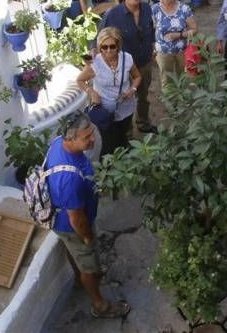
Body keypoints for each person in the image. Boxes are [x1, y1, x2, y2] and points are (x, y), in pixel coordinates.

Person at [46, 111, 131, 319]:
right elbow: (77, 218)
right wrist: (87, 237)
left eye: (92, 133)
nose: (93, 139)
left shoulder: (59, 143)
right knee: (88, 261)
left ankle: (79, 277)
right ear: (70, 138)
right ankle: (99, 305)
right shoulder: (68, 179)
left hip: (65, 220)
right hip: (73, 226)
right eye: (87, 137)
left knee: (76, 254)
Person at [101, 0, 157, 133]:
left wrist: (153, 45)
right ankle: (128, 133)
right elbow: (101, 39)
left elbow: (152, 29)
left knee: (143, 97)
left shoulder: (147, 9)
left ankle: (143, 122)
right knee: (125, 101)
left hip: (145, 63)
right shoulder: (113, 14)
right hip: (125, 68)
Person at [77, 27, 142, 156]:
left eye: (112, 46)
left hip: (125, 106)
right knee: (108, 137)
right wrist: (92, 92)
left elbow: (137, 76)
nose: (108, 50)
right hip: (105, 110)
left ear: (118, 46)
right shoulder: (95, 63)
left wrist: (132, 89)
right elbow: (79, 80)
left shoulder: (127, 59)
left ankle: (125, 151)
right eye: (103, 47)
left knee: (124, 132)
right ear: (99, 47)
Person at [151, 0, 197, 90]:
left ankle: (184, 103)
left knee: (184, 77)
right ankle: (170, 104)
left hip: (182, 50)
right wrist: (153, 48)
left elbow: (194, 29)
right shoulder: (155, 9)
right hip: (163, 52)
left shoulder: (184, 9)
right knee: (166, 81)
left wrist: (179, 35)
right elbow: (150, 31)